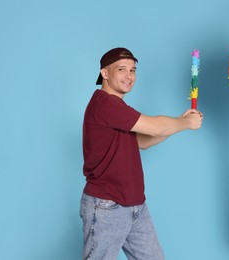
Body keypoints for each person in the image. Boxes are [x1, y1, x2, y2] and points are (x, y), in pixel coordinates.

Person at [80, 47, 203, 260]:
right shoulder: (105, 104)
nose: (129, 76)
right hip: (107, 206)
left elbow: (143, 141)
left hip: (135, 205)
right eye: (121, 69)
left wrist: (178, 123)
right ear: (105, 73)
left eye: (133, 70)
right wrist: (184, 124)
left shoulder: (117, 107)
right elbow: (155, 127)